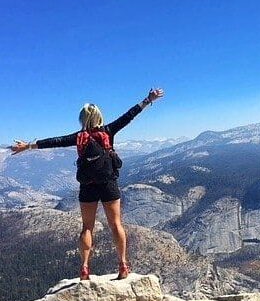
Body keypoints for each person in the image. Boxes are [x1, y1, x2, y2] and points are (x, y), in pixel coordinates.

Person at [9, 88, 164, 280]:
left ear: (82, 119)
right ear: (99, 116)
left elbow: (55, 141)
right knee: (116, 224)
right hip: (108, 184)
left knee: (87, 227)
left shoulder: (78, 138)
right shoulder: (108, 131)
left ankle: (84, 269)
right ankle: (123, 265)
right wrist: (149, 100)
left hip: (87, 186)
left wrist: (28, 146)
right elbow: (129, 115)